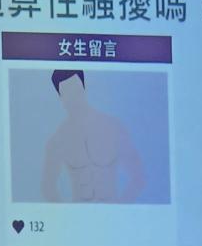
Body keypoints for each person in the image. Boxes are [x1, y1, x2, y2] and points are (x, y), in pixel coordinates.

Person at [41, 68, 145, 203]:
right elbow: (47, 187)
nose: (74, 97)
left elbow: (139, 176)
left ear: (84, 88)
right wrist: (67, 214)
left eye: (76, 90)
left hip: (113, 211)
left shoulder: (114, 127)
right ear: (61, 97)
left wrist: (120, 209)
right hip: (78, 213)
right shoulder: (58, 140)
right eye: (68, 92)